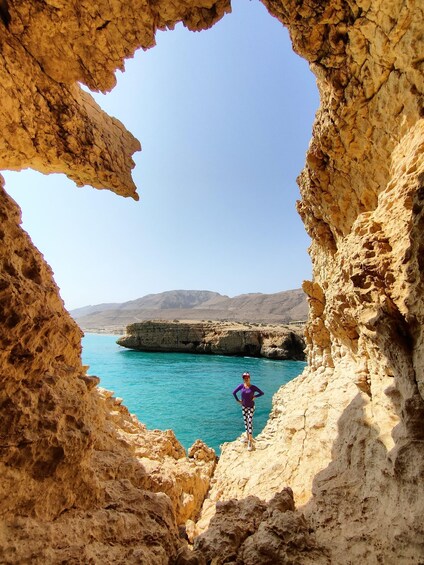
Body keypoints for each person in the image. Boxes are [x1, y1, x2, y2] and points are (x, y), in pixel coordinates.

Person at [233, 372, 264, 451]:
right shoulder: (241, 386)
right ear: (243, 379)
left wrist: (255, 396)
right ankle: (247, 438)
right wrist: (238, 400)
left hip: (251, 407)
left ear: (250, 378)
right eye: (244, 378)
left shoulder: (253, 387)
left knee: (249, 421)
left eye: (247, 377)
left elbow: (261, 393)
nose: (246, 379)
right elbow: (234, 392)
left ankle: (250, 441)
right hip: (244, 407)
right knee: (246, 422)